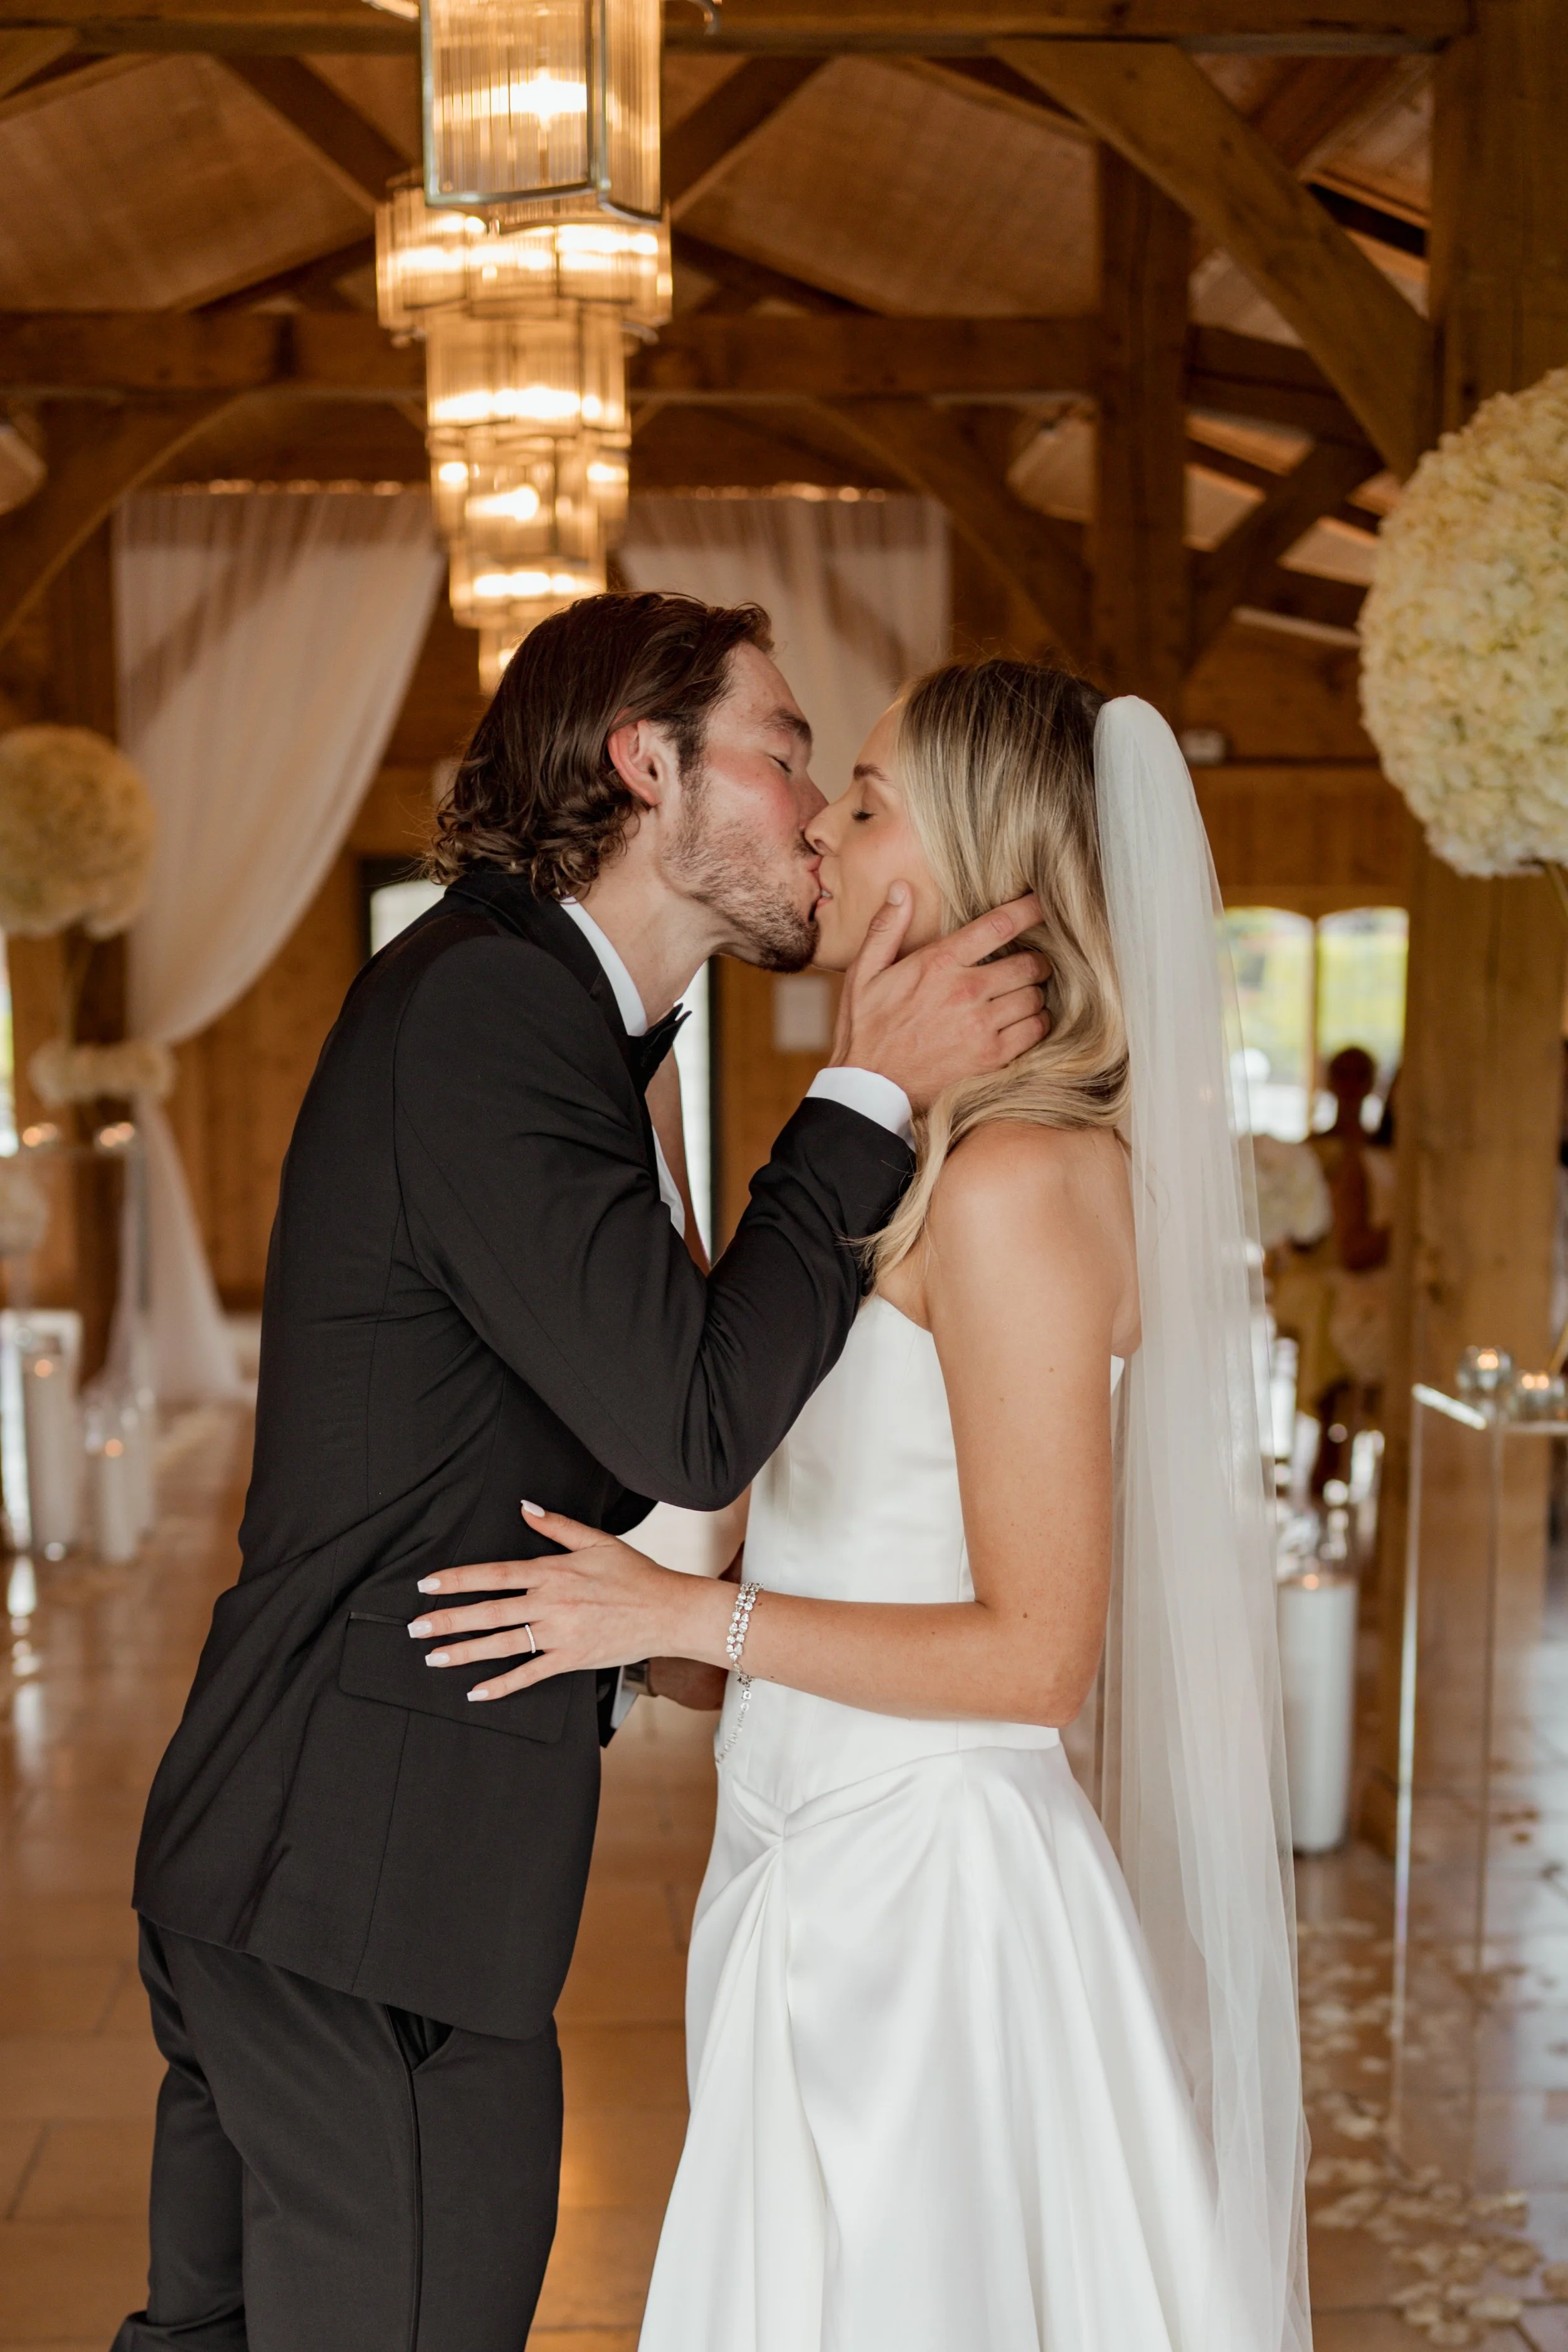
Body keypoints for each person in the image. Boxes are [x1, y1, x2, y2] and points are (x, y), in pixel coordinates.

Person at [115, 596, 1049, 2352]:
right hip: (367, 1895)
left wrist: (665, 1627)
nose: (810, 813)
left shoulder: (534, 1009)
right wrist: (860, 1090)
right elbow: (683, 1423)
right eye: (785, 753)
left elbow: (528, 1418)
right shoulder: (490, 1011)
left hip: (316, 1869)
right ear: (646, 762)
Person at [417, 661, 1311, 2351]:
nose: (825, 821)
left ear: (982, 866)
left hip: (929, 1902)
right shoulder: (917, 1157)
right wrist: (666, 1639)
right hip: (809, 1846)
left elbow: (1038, 1658)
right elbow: (848, 1525)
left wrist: (686, 1613)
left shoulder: (1023, 1183)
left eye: (872, 799)